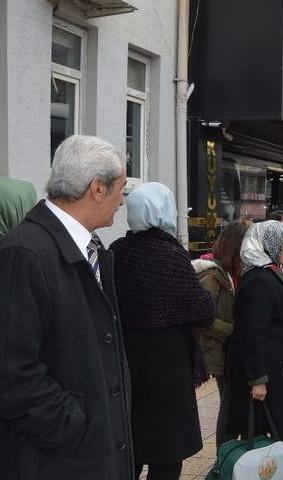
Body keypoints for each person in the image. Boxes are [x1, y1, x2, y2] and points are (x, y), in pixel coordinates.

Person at [0, 135, 133, 479]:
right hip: (58, 460)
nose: (122, 199)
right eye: (121, 188)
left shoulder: (91, 247)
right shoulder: (25, 252)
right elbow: (13, 371)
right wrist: (74, 426)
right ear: (97, 189)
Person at [110, 182, 215, 479]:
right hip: (168, 369)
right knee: (167, 455)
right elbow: (203, 311)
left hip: (127, 363)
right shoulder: (170, 254)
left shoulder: (117, 250)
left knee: (130, 447)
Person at [224, 220, 283, 447]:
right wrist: (258, 380)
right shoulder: (258, 281)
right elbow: (253, 334)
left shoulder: (276, 273)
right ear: (268, 245)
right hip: (270, 373)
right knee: (267, 429)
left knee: (282, 426)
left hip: (282, 368)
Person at [192, 221, 248, 447]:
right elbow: (203, 317)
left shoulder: (232, 272)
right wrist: (231, 331)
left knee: (233, 403)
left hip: (231, 349)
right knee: (229, 405)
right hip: (220, 350)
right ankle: (224, 457)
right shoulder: (213, 274)